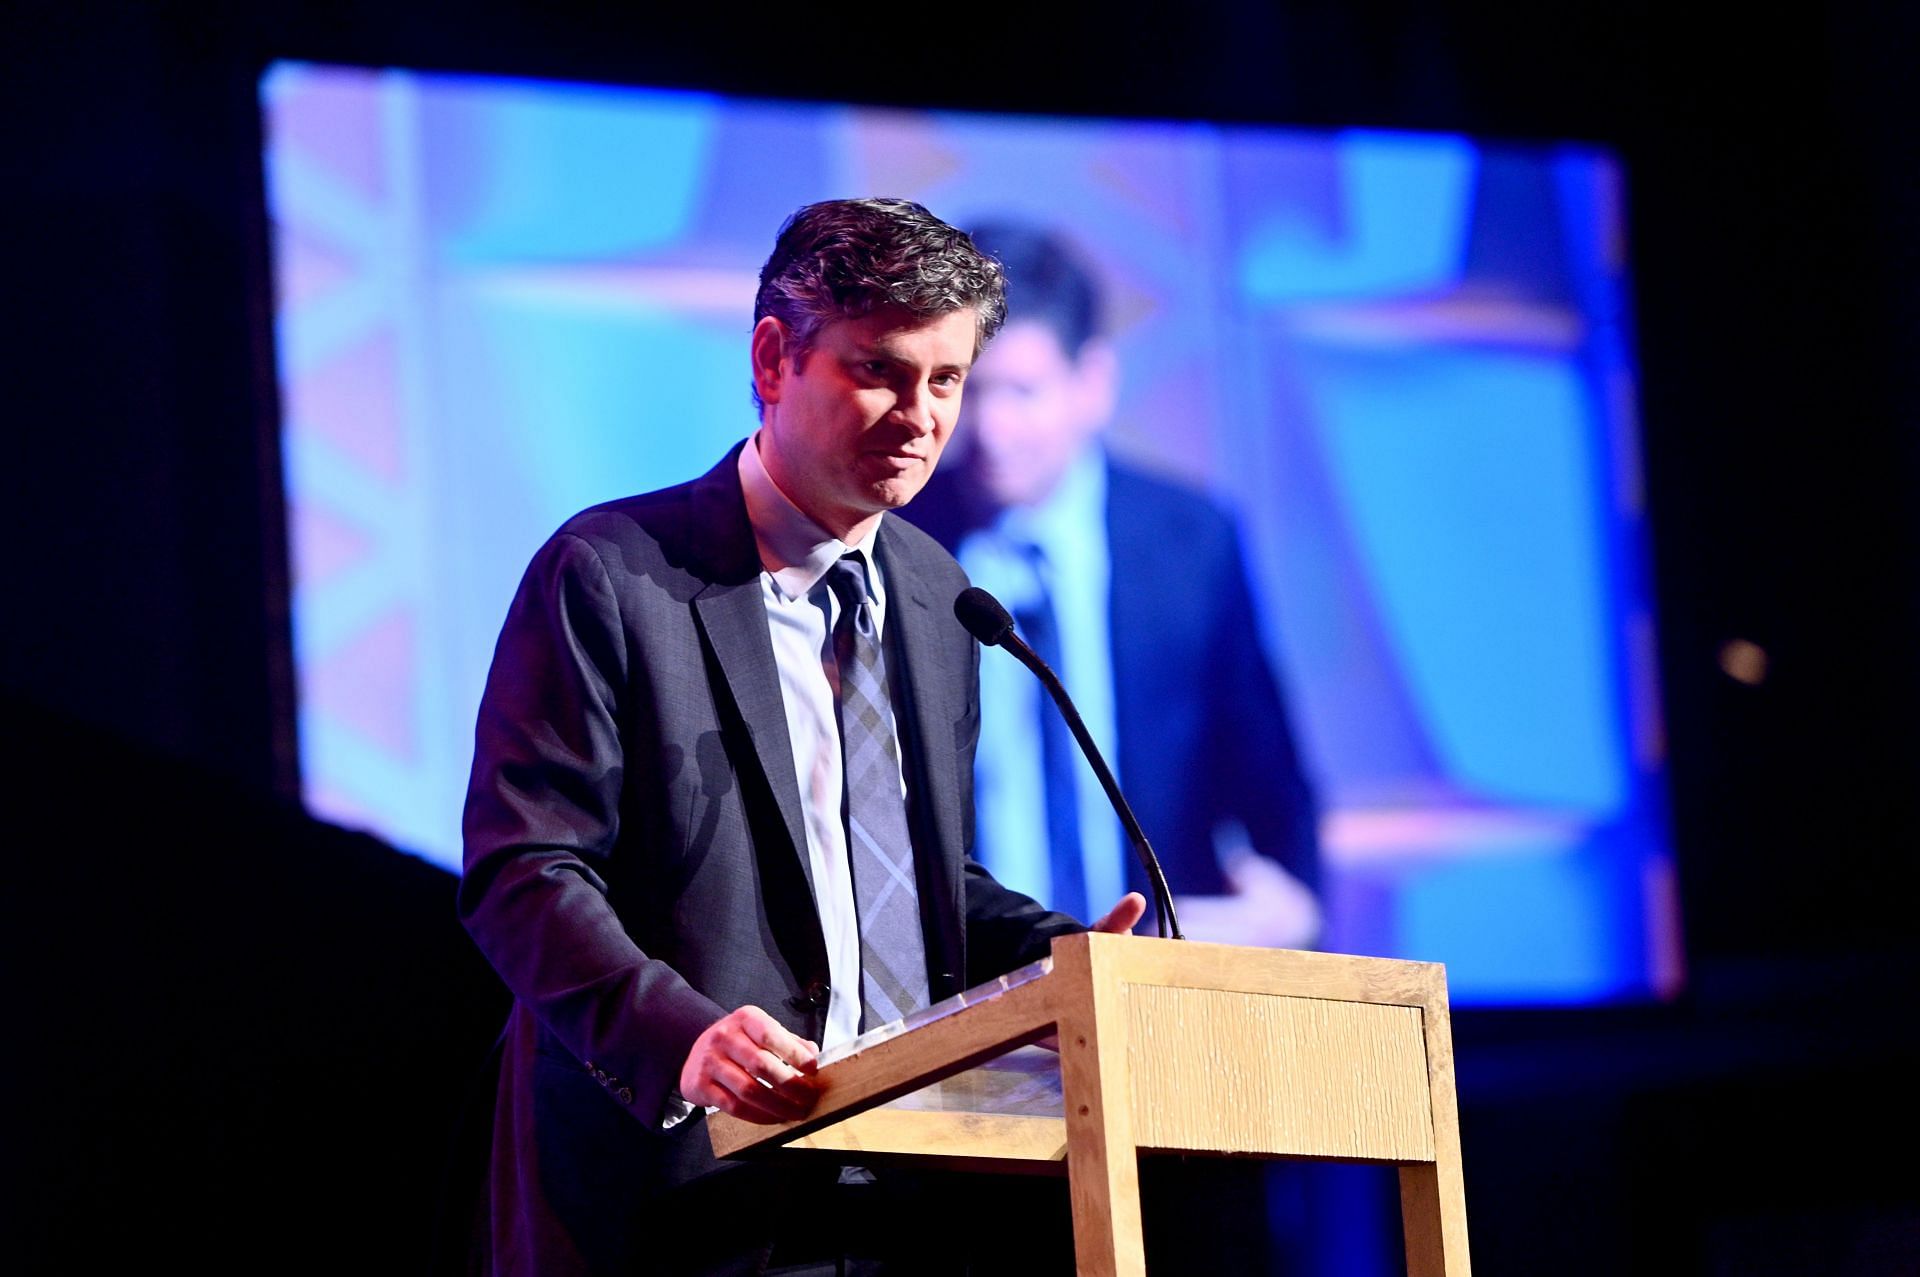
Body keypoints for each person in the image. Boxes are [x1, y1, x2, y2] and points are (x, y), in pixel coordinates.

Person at [457, 198, 1143, 1275]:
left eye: (947, 380)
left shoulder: (936, 592)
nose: (920, 416)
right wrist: (681, 1034)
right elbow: (523, 871)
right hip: (669, 1196)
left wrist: (1063, 962)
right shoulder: (612, 574)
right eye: (880, 370)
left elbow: (917, 883)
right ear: (775, 358)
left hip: (897, 1188)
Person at [905, 221, 1323, 949]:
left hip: (1158, 980)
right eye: (966, 389)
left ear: (1091, 384)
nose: (991, 429)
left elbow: (1268, 773)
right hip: (967, 990)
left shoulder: (1191, 544)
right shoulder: (896, 543)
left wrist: (1294, 899)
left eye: (1024, 393)